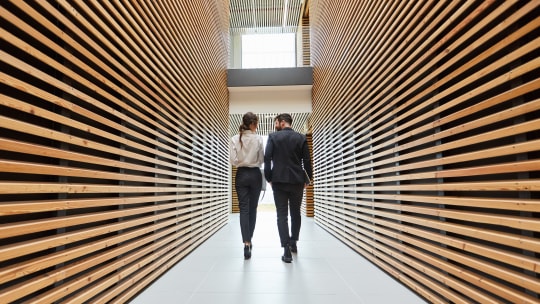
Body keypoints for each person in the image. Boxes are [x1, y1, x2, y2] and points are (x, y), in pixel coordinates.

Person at [264, 113, 312, 263]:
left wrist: (269, 177)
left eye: (276, 122)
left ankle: (286, 250)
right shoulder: (301, 138)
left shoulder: (273, 137)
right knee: (295, 213)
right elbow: (307, 160)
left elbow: (267, 159)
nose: (275, 125)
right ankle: (294, 243)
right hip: (297, 181)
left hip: (279, 181)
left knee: (282, 215)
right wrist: (308, 179)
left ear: (282, 122)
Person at [229, 112, 265, 259]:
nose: (257, 126)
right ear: (252, 124)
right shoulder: (258, 139)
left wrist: (243, 162)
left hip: (241, 175)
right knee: (253, 209)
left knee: (243, 209)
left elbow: (233, 161)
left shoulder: (235, 138)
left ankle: (246, 243)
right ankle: (250, 239)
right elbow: (261, 159)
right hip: (255, 175)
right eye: (256, 123)